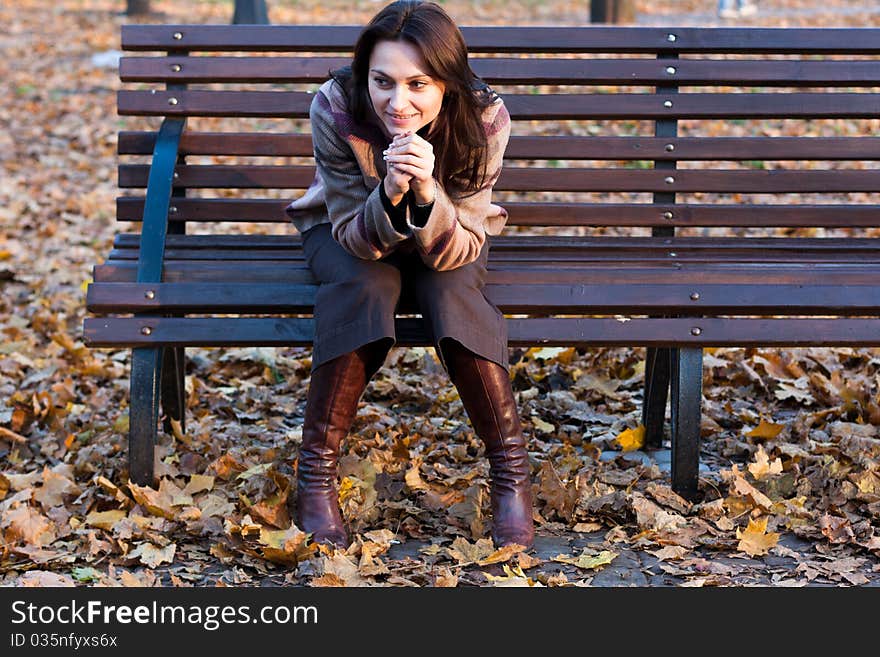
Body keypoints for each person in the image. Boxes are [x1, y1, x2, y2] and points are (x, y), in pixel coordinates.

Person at [285, 0, 534, 550]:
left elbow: (459, 247)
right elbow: (352, 233)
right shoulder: (335, 107)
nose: (398, 102)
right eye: (383, 81)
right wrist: (391, 190)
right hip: (344, 226)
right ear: (363, 75)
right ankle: (315, 480)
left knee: (453, 289)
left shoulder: (484, 118)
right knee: (365, 284)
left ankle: (511, 478)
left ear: (446, 81)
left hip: (450, 230)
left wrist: (425, 191)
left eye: (418, 84)